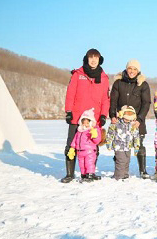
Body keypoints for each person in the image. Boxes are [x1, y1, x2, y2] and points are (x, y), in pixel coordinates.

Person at [62, 48, 110, 183]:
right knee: (72, 144)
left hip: (94, 118)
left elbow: (106, 98)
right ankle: (70, 174)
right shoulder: (78, 74)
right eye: (91, 57)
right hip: (77, 116)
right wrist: (69, 111)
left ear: (100, 60)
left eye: (96, 57)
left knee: (93, 145)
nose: (93, 60)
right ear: (87, 59)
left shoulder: (104, 77)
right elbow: (70, 93)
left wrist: (103, 115)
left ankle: (89, 172)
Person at [110, 59, 151, 179]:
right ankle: (119, 171)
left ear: (138, 71)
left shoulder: (143, 84)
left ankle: (142, 171)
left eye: (135, 69)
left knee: (139, 145)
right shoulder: (118, 83)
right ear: (126, 69)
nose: (132, 71)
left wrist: (140, 119)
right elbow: (113, 101)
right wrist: (112, 115)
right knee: (119, 146)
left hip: (136, 122)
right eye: (130, 68)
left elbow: (146, 103)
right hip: (121, 122)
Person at [105, 105, 141, 180]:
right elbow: (110, 132)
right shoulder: (116, 124)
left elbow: (136, 136)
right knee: (121, 161)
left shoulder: (133, 125)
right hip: (118, 146)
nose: (128, 120)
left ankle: (125, 174)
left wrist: (136, 146)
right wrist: (108, 142)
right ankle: (119, 176)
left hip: (128, 146)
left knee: (127, 161)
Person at [67, 108, 102, 182]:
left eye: (87, 123)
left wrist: (95, 135)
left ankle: (90, 174)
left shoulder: (93, 130)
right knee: (81, 165)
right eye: (83, 123)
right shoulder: (79, 131)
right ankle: (83, 175)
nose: (85, 125)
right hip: (80, 151)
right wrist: (72, 148)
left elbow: (97, 141)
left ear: (91, 122)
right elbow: (75, 140)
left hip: (89, 151)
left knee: (89, 163)